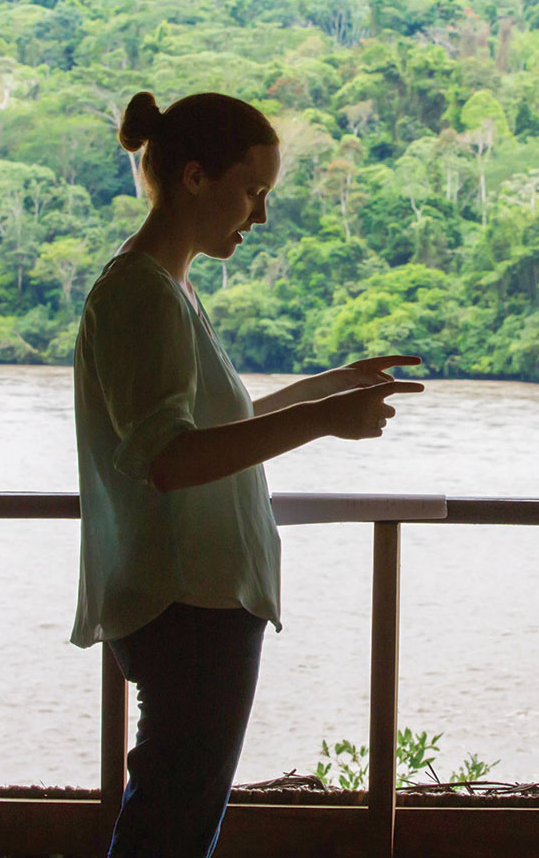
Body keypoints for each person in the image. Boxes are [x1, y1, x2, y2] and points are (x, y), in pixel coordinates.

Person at [70, 90, 423, 858]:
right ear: (195, 177)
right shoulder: (140, 292)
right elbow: (171, 459)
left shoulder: (168, 288)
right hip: (185, 605)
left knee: (174, 819)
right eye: (252, 190)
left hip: (198, 602)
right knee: (168, 828)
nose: (259, 215)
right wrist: (324, 421)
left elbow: (209, 429)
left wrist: (328, 386)